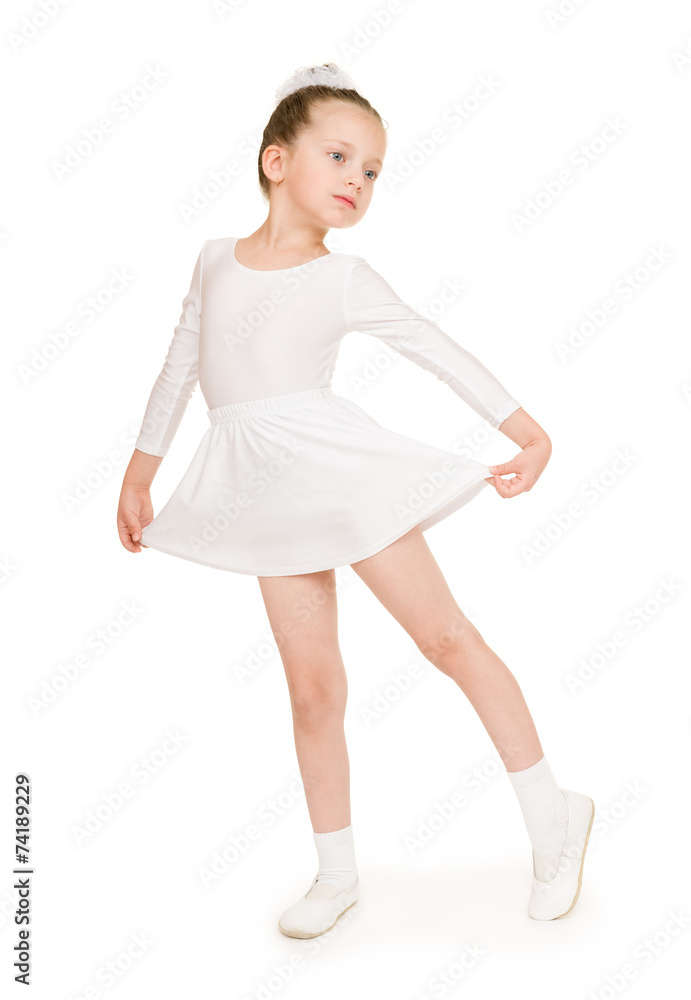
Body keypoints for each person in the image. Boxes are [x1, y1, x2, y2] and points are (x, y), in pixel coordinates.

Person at [116, 62, 595, 939]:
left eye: (372, 170)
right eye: (338, 156)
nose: (357, 180)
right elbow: (181, 363)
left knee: (446, 639)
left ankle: (554, 819)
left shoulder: (344, 277)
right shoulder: (215, 261)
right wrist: (141, 469)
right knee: (312, 689)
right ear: (274, 160)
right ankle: (336, 873)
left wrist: (527, 432)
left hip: (341, 476)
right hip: (260, 492)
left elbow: (431, 345)